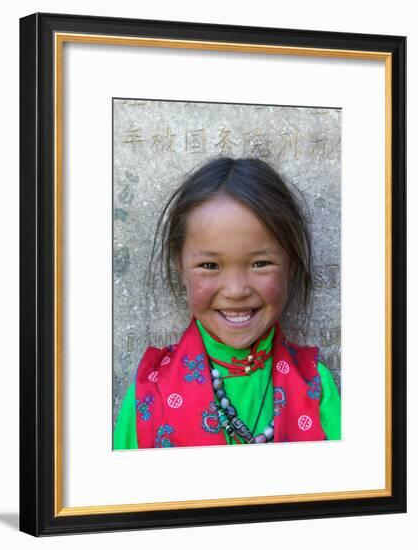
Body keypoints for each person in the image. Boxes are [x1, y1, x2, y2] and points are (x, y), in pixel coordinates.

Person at [114, 157, 341, 449]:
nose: (235, 290)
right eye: (209, 265)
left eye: (260, 263)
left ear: (291, 267)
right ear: (179, 267)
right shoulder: (149, 394)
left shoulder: (314, 387)